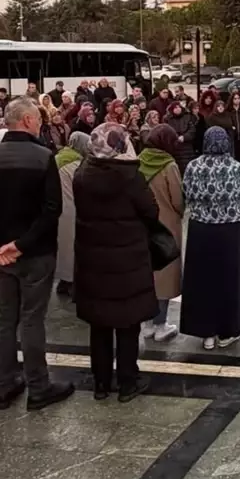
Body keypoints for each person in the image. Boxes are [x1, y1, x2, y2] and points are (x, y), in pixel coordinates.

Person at [0, 97, 72, 411]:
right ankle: (39, 386)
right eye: (37, 119)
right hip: (35, 252)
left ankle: (5, 384)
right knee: (31, 320)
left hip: (2, 257)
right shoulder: (43, 157)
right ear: (27, 120)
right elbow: (52, 209)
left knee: (5, 320)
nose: (40, 123)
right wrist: (21, 245)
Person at [70, 123, 157, 401]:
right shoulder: (130, 176)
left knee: (99, 324)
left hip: (93, 258)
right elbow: (151, 211)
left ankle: (101, 384)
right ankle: (128, 383)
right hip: (127, 260)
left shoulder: (82, 174)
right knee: (128, 324)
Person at [180, 127, 240, 350]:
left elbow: (186, 193)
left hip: (202, 231)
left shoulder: (194, 167)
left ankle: (206, 333)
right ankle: (228, 330)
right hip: (232, 231)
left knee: (203, 281)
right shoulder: (238, 169)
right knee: (231, 280)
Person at [139, 125, 184, 342]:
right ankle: (160, 324)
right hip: (166, 226)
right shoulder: (169, 166)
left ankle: (146, 323)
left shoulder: (138, 161)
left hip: (142, 225)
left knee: (146, 274)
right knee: (165, 275)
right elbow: (178, 200)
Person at [54, 131, 89, 301]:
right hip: (72, 209)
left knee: (62, 248)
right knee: (72, 249)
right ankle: (70, 283)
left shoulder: (58, 158)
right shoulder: (76, 164)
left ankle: (63, 281)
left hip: (56, 209)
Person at [166, 101, 199, 172]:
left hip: (187, 147)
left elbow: (192, 130)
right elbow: (166, 131)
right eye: (175, 108)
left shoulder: (188, 117)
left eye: (179, 107)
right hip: (175, 147)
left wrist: (184, 137)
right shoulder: (167, 119)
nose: (177, 109)